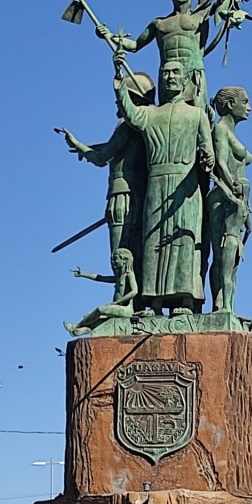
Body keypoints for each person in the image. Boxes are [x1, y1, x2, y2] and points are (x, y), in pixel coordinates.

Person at [113, 51, 214, 315]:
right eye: (165, 73)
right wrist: (120, 78)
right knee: (153, 240)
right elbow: (130, 112)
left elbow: (207, 151)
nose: (169, 77)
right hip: (157, 183)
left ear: (185, 81)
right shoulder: (150, 114)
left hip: (185, 186)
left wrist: (207, 158)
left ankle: (185, 300)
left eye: (175, 73)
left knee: (184, 239)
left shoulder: (197, 115)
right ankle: (154, 301)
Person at [96, 0, 217, 110]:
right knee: (167, 115)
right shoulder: (159, 23)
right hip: (167, 76)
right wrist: (110, 36)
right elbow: (135, 45)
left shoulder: (199, 16)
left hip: (193, 75)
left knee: (198, 119)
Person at [58, 73, 154, 302]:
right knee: (135, 252)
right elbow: (121, 149)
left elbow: (102, 159)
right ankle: (136, 301)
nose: (116, 103)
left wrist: (78, 144)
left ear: (131, 98)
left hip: (121, 195)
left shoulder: (125, 125)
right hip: (141, 196)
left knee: (120, 254)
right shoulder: (145, 123)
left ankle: (124, 302)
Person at [206, 86, 252, 311]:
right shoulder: (221, 129)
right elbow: (221, 162)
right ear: (229, 104)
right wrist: (232, 185)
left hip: (237, 200)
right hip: (223, 198)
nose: (249, 108)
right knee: (221, 255)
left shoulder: (230, 131)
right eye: (244, 102)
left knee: (232, 259)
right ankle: (219, 306)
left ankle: (229, 306)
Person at [63, 248, 138, 336]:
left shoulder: (129, 275)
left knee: (101, 309)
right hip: (116, 307)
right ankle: (84, 330)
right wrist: (83, 274)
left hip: (127, 310)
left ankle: (76, 326)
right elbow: (100, 278)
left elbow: (134, 291)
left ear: (124, 260)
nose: (113, 262)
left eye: (115, 259)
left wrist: (117, 302)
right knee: (89, 315)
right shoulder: (118, 277)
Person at [208, 174, 251, 315]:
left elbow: (228, 196)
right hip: (237, 242)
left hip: (229, 239)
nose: (234, 186)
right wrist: (242, 243)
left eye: (237, 184)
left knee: (225, 275)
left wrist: (218, 182)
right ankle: (230, 307)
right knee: (232, 277)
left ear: (243, 189)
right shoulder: (246, 209)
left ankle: (226, 307)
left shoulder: (238, 203)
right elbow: (249, 229)